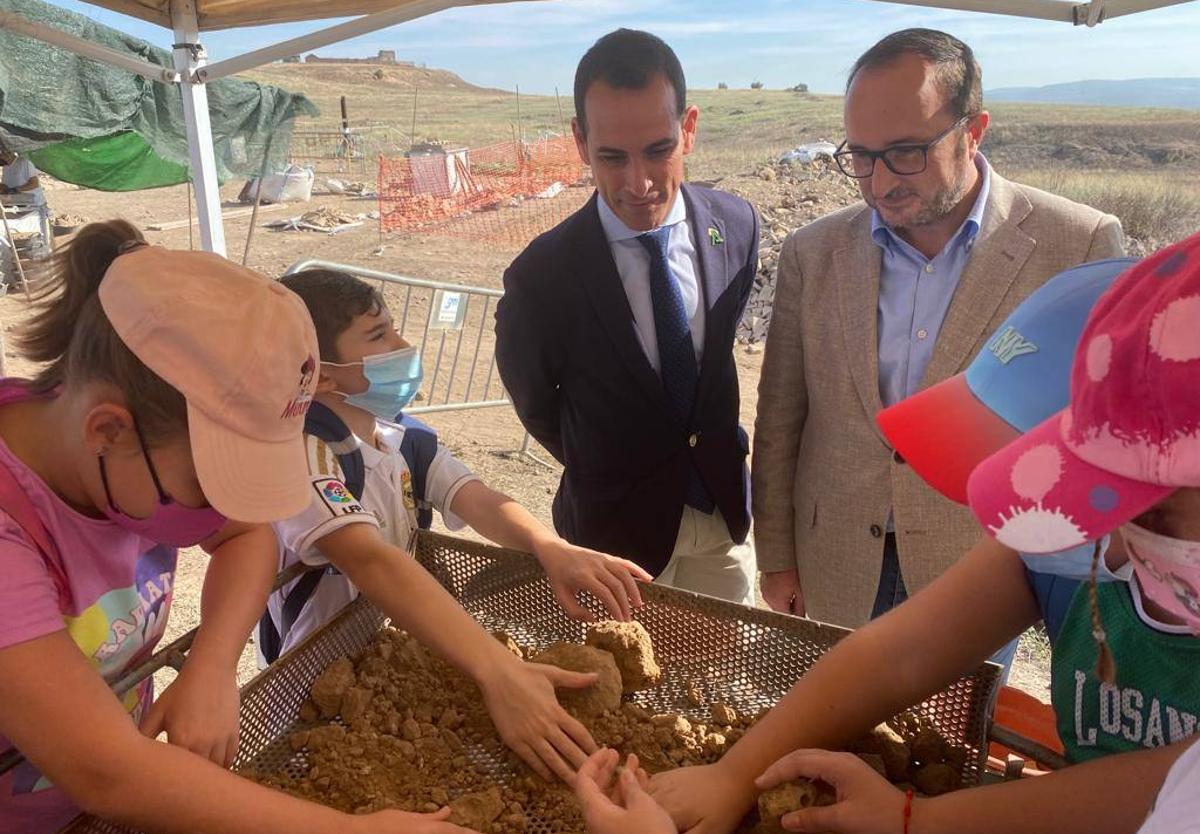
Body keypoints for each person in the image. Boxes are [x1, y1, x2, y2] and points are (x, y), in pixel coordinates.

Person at [645, 234, 1200, 834]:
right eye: (1066, 492)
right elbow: (899, 653)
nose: (1107, 536)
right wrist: (735, 775)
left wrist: (921, 822)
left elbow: (1172, 787)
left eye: (1151, 513)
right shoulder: (1064, 548)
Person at [0, 220, 490, 834]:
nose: (219, 510)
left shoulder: (122, 456)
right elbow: (109, 773)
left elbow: (247, 536)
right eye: (211, 486)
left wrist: (211, 664)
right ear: (108, 431)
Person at [185, 267, 648, 786]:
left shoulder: (401, 438)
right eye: (379, 335)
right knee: (320, 777)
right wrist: (498, 670)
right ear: (323, 375)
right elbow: (367, 557)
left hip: (391, 658)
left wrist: (550, 546)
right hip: (315, 682)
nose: (404, 346)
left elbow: (476, 498)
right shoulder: (306, 458)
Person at [753, 28, 1125, 635]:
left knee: (954, 731)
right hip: (837, 558)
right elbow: (780, 419)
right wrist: (775, 556)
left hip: (982, 568)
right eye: (861, 157)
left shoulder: (1078, 244)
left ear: (973, 132)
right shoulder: (812, 251)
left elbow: (1096, 432)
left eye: (906, 152)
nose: (879, 182)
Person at [495, 29, 758, 606]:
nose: (637, 184)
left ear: (689, 128)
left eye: (658, 150)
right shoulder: (541, 275)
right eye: (612, 157)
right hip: (615, 539)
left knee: (720, 683)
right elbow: (537, 405)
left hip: (721, 518)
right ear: (581, 142)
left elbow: (718, 346)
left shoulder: (736, 226)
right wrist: (613, 461)